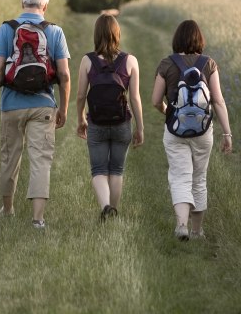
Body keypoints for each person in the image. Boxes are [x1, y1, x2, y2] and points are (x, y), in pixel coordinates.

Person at [0, 0, 71, 229]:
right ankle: (38, 219)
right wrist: (63, 108)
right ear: (44, 6)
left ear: (22, 3)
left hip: (11, 104)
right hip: (44, 105)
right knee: (41, 160)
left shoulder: (6, 29)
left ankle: (8, 209)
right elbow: (64, 74)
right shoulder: (55, 31)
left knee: (9, 158)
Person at [152, 20, 232, 241]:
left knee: (179, 177)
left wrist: (167, 110)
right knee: (199, 178)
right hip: (203, 132)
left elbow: (155, 100)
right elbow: (218, 100)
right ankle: (197, 231)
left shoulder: (167, 64)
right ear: (200, 40)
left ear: (176, 39)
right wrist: (227, 133)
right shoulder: (209, 64)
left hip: (175, 130)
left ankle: (181, 225)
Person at [76, 14, 144, 221]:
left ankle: (105, 206)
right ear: (117, 34)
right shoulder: (130, 60)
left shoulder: (87, 61)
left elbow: (80, 95)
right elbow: (134, 97)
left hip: (96, 122)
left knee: (98, 170)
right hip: (121, 122)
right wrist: (140, 127)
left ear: (96, 34)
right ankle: (112, 211)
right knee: (117, 169)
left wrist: (80, 119)